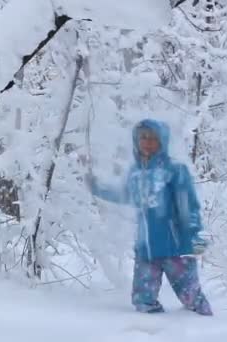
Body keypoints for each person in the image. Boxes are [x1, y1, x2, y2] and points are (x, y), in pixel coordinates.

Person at [86, 118, 212, 316]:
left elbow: (189, 207)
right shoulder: (135, 173)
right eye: (143, 137)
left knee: (192, 299)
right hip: (146, 249)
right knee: (143, 300)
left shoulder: (175, 171)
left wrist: (195, 237)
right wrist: (96, 186)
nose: (147, 142)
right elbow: (124, 194)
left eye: (153, 138)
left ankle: (205, 331)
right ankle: (150, 333)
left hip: (177, 248)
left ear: (163, 141)